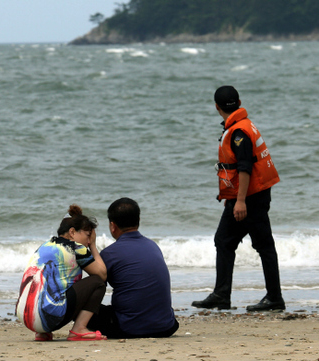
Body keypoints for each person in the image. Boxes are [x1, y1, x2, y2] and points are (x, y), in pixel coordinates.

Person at [192, 85, 284, 312]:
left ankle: (271, 298)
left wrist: (240, 200)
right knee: (229, 241)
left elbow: (244, 168)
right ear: (239, 101)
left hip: (249, 197)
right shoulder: (244, 125)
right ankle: (225, 295)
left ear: (217, 107)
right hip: (254, 194)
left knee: (251, 244)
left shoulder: (238, 132)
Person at [87, 198, 179, 339]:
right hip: (166, 327)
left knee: (81, 307)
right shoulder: (153, 246)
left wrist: (91, 247)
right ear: (138, 220)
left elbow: (93, 292)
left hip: (129, 328)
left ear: (112, 226)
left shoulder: (109, 254)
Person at [16, 205, 108, 341]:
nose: (88, 241)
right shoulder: (76, 248)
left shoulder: (45, 245)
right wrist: (93, 246)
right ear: (72, 232)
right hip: (49, 317)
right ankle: (79, 329)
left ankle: (42, 333)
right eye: (88, 235)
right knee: (98, 283)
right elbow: (102, 274)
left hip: (25, 316)